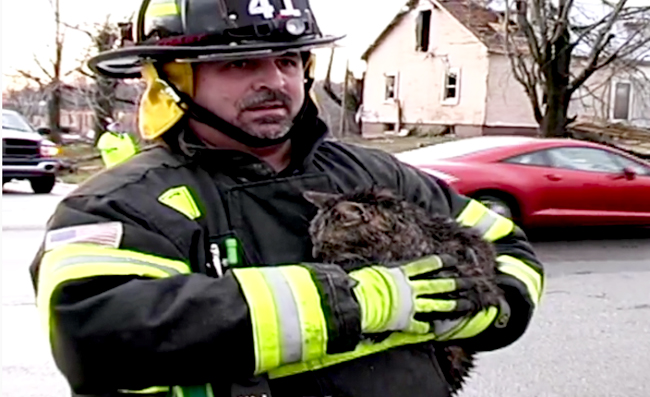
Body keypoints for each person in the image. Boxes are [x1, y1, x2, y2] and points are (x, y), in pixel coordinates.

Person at [30, 1, 544, 396]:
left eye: (287, 60)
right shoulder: (119, 203)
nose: (273, 81)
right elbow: (96, 336)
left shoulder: (373, 170)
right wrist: (357, 304)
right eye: (240, 64)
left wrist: (472, 311)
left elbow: (510, 252)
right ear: (173, 78)